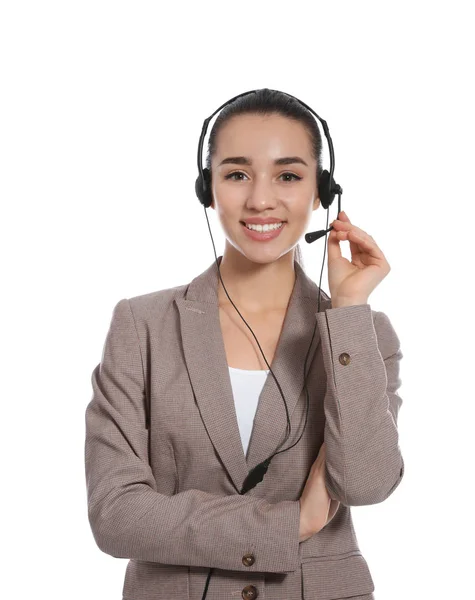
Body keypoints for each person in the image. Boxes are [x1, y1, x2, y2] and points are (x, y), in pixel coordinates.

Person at [84, 88, 404, 600]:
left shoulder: (362, 333)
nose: (260, 199)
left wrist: (347, 311)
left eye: (289, 175)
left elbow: (366, 483)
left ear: (322, 191)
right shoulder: (141, 325)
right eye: (236, 174)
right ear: (206, 188)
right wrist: (291, 522)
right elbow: (116, 515)